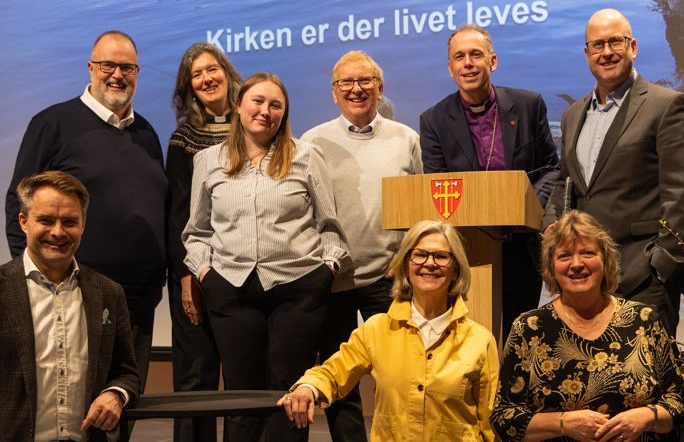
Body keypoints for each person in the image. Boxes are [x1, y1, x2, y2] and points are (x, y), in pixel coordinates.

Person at [182, 72, 350, 441]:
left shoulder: (306, 155)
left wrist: (326, 270)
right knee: (241, 396)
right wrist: (207, 274)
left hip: (299, 289)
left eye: (276, 105)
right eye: (257, 101)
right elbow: (197, 232)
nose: (265, 110)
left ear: (284, 114)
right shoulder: (209, 160)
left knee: (288, 395)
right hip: (232, 289)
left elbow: (330, 227)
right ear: (239, 106)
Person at [4, 30, 167, 396]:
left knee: (122, 404)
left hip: (139, 300)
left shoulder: (147, 133)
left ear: (137, 73)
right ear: (90, 67)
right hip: (75, 295)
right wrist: (32, 280)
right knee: (71, 405)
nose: (117, 74)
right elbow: (19, 204)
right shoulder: (53, 124)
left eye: (127, 67)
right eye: (108, 64)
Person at [543, 9, 684, 336]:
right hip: (586, 281)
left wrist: (660, 269)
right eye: (597, 45)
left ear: (633, 46)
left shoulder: (666, 105)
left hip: (645, 280)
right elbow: (565, 183)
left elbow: (683, 196)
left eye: (615, 42)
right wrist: (550, 227)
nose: (607, 52)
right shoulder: (573, 114)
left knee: (646, 382)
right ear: (587, 54)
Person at [278, 220, 499, 442]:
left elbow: (490, 423)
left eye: (441, 256)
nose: (429, 263)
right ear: (405, 266)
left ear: (455, 270)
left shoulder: (480, 340)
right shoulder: (377, 329)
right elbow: (333, 372)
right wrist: (308, 388)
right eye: (419, 255)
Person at [300, 50, 422, 442]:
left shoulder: (407, 140)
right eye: (346, 83)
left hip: (390, 277)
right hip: (332, 277)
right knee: (341, 379)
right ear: (334, 93)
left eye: (365, 81)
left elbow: (423, 208)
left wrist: (405, 256)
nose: (356, 89)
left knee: (398, 374)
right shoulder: (311, 141)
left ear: (380, 87)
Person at [490, 210, 684, 442]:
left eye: (587, 253)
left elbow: (678, 400)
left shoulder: (643, 319)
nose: (576, 264)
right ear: (551, 267)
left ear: (605, 260)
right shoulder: (529, 327)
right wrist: (563, 423)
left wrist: (646, 417)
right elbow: (504, 418)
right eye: (564, 256)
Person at [420, 24, 561, 338]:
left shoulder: (528, 105)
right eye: (459, 57)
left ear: (492, 61)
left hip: (522, 246)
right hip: (468, 253)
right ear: (450, 68)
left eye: (475, 55)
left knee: (519, 338)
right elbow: (437, 183)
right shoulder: (434, 120)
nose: (468, 63)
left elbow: (551, 169)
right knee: (469, 342)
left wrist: (523, 206)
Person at [0, 171, 140, 442]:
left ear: (84, 224)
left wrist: (115, 394)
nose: (58, 232)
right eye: (46, 220)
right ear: (23, 221)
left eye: (69, 222)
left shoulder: (109, 293)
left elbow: (127, 372)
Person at [166, 42, 243, 442]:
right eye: (196, 75)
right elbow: (177, 213)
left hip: (243, 271)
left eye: (212, 69)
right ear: (189, 87)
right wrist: (184, 276)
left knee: (243, 376)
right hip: (194, 271)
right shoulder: (183, 139)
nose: (207, 78)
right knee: (196, 375)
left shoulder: (257, 126)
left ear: (227, 73)